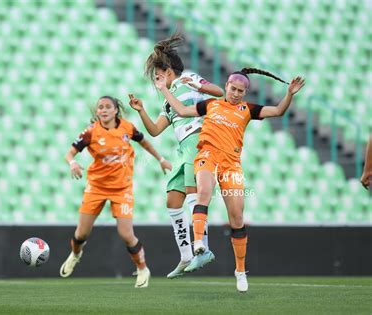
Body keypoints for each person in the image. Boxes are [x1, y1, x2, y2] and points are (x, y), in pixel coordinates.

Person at [155, 68, 305, 292]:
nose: (236, 93)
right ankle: (199, 244)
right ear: (226, 86)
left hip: (231, 165)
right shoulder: (210, 105)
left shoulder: (247, 110)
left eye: (240, 91)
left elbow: (277, 111)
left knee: (236, 218)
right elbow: (182, 110)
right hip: (207, 155)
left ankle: (240, 271)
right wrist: (165, 90)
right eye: (233, 89)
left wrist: (289, 94)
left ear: (245, 92)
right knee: (203, 193)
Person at [128, 34, 224, 278]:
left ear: (168, 71)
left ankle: (202, 247)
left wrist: (200, 86)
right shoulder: (168, 102)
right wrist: (141, 111)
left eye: (158, 75)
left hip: (198, 139)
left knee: (194, 192)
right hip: (183, 148)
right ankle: (186, 256)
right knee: (173, 200)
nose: (156, 81)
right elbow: (155, 131)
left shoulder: (188, 78)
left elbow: (218, 91)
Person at [59, 95, 172, 288]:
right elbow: (69, 153)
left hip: (122, 188)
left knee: (126, 234)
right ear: (97, 112)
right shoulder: (90, 132)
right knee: (81, 235)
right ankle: (76, 254)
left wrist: (161, 159)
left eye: (107, 107)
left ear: (115, 111)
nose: (103, 110)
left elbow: (144, 141)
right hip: (96, 187)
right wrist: (73, 163)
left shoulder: (127, 128)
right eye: (100, 107)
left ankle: (143, 269)